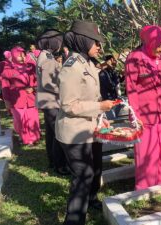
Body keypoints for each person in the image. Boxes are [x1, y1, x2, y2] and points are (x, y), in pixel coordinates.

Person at [55, 20, 114, 225]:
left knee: (96, 168)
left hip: (90, 128)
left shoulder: (88, 63)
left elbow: (93, 96)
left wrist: (102, 117)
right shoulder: (72, 67)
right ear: (83, 41)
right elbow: (68, 105)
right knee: (83, 175)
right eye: (96, 42)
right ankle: (74, 219)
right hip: (74, 132)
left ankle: (91, 199)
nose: (99, 46)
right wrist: (100, 108)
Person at [124, 25, 161, 190]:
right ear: (151, 42)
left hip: (160, 114)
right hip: (144, 116)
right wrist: (135, 116)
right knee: (146, 151)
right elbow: (131, 89)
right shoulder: (134, 58)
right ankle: (145, 186)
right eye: (160, 45)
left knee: (160, 149)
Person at [36, 29, 69, 175]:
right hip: (51, 102)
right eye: (59, 42)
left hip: (47, 102)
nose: (60, 45)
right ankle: (60, 165)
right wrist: (64, 90)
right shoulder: (48, 60)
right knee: (58, 134)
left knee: (51, 134)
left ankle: (52, 160)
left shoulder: (45, 55)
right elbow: (48, 84)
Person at [1, 46, 41, 145]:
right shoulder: (8, 70)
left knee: (32, 118)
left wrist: (33, 88)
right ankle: (22, 135)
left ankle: (32, 138)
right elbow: (5, 86)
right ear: (14, 56)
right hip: (16, 99)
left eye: (24, 55)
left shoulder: (31, 67)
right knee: (19, 121)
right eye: (19, 56)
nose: (23, 58)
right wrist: (7, 101)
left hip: (31, 98)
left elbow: (37, 80)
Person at [99, 54, 124, 120]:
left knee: (121, 104)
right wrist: (117, 79)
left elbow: (119, 80)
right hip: (107, 98)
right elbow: (111, 85)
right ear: (111, 60)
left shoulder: (113, 71)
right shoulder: (103, 73)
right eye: (115, 60)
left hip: (113, 96)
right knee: (112, 119)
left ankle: (113, 118)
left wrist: (123, 75)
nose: (116, 62)